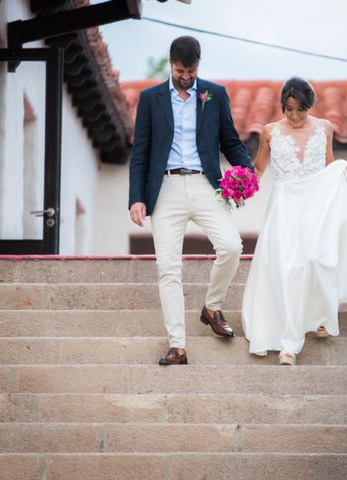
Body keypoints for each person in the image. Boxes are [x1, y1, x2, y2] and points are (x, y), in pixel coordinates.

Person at [241, 77, 347, 366]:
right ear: (282, 107)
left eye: (300, 109)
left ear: (310, 106)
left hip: (316, 204)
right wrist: (238, 188)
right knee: (288, 266)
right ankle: (288, 342)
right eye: (289, 109)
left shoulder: (325, 128)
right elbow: (258, 169)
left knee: (317, 258)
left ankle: (321, 315)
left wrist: (339, 174)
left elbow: (327, 165)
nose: (295, 116)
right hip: (285, 206)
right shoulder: (270, 132)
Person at [128, 36, 253, 365]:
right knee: (168, 269)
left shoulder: (215, 94)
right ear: (171, 63)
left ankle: (212, 307)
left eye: (192, 71)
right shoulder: (150, 98)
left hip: (205, 184)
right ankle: (177, 345)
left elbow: (230, 140)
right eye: (181, 70)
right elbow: (140, 152)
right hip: (165, 188)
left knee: (231, 246)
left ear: (199, 65)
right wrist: (137, 198)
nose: (186, 77)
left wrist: (246, 169)